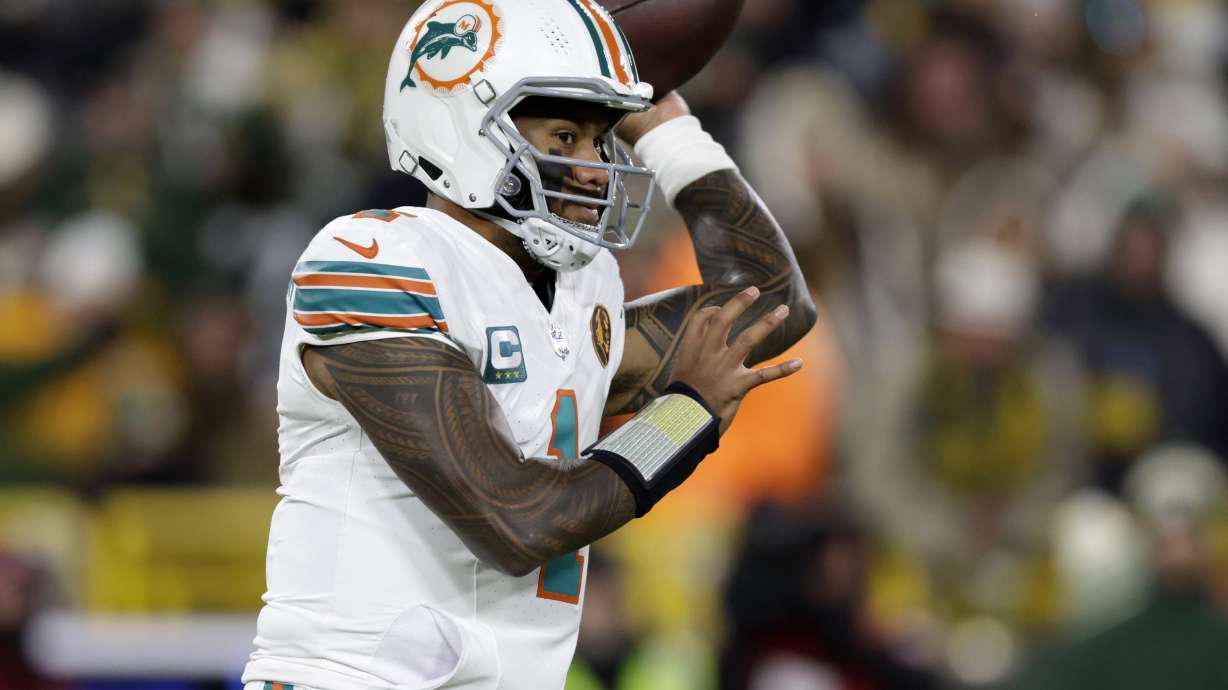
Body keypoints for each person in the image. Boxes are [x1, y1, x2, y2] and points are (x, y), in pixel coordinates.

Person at [242, 1, 815, 689]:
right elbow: (518, 521)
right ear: (462, 125)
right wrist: (685, 415)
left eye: (600, 140)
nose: (594, 168)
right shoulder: (373, 262)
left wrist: (671, 133)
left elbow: (769, 306)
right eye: (565, 136)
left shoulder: (583, 291)